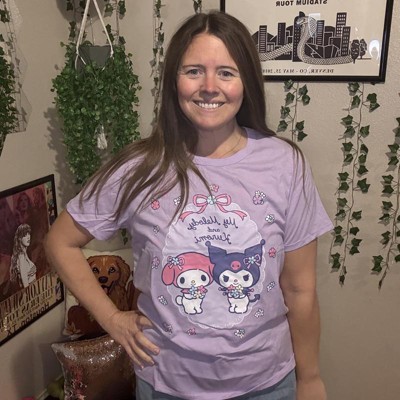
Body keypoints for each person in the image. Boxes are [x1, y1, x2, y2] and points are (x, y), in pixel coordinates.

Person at [45, 11, 333, 400]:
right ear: (174, 80)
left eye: (226, 73)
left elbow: (299, 289)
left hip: (266, 383)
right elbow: (60, 242)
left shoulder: (285, 163)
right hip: (167, 384)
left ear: (246, 82)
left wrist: (310, 378)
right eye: (194, 71)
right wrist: (112, 319)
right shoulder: (140, 167)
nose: (209, 87)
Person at [10, 224, 37, 288]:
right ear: (19, 238)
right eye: (25, 235)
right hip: (30, 291)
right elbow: (25, 285)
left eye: (28, 234)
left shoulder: (24, 254)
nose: (28, 237)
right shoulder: (21, 256)